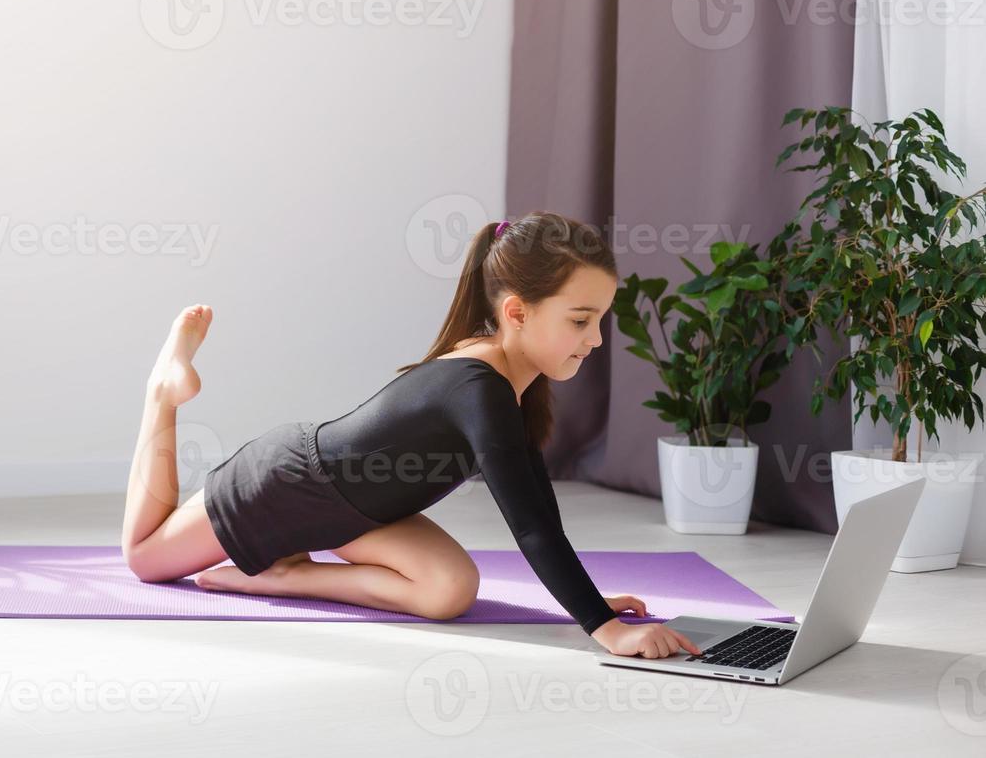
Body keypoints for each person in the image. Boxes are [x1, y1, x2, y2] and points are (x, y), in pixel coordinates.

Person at [121, 211, 703, 661]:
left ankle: (286, 572)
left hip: (361, 512)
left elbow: (538, 502)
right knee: (146, 557)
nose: (596, 339)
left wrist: (596, 605)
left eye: (599, 319)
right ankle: (162, 392)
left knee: (450, 590)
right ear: (519, 313)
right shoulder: (479, 387)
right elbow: (528, 526)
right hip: (291, 484)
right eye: (580, 320)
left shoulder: (508, 385)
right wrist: (605, 632)